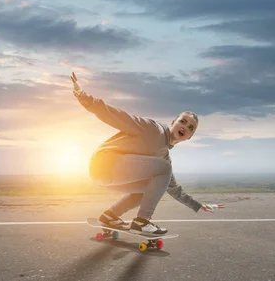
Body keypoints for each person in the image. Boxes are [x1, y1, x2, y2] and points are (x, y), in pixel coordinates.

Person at [70, 72, 224, 236]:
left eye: (190, 128)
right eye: (183, 121)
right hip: (104, 162)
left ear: (190, 137)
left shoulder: (164, 158)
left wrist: (198, 205)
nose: (185, 127)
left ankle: (110, 216)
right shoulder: (152, 129)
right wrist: (83, 97)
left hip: (105, 176)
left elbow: (173, 189)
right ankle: (142, 221)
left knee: (151, 188)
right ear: (173, 122)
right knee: (163, 170)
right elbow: (118, 116)